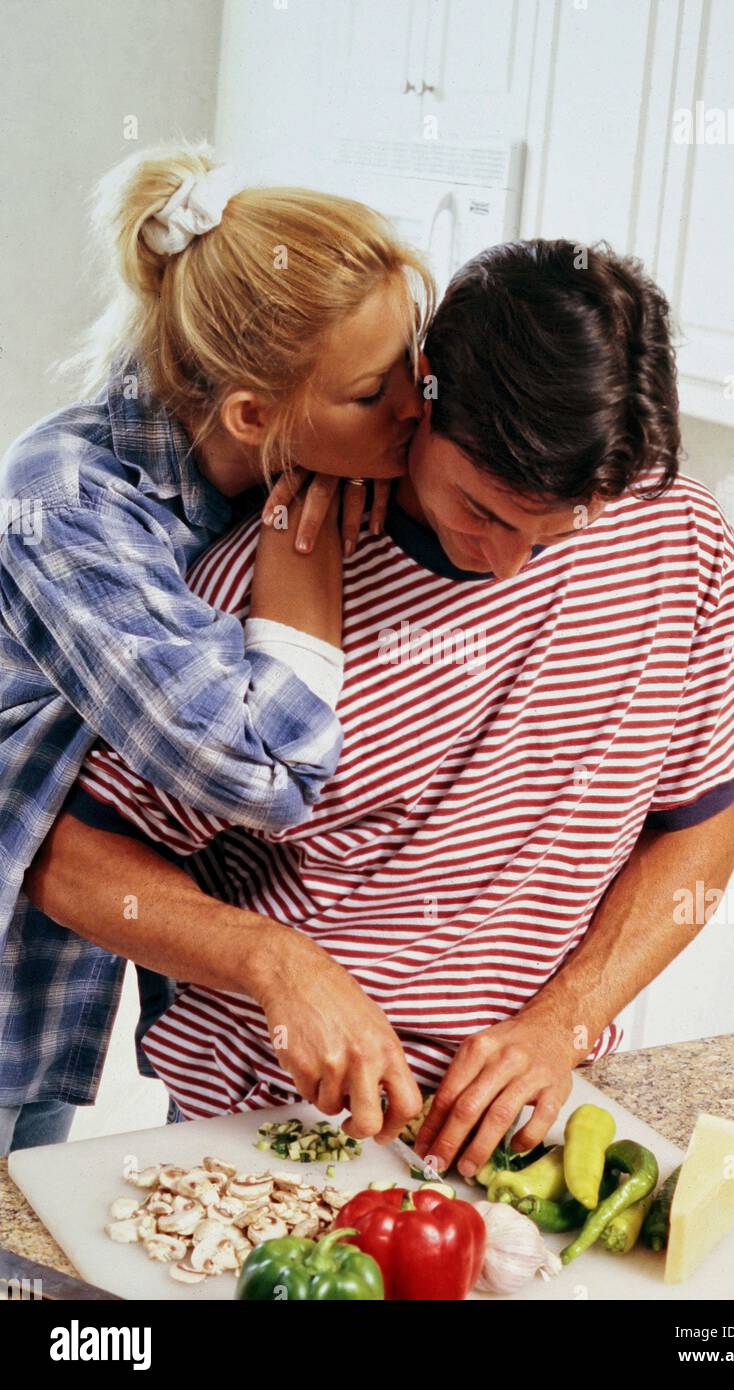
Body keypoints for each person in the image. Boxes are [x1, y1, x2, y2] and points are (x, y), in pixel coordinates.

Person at [26, 240, 734, 1174]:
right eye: (484, 509)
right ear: (420, 402)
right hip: (272, 1128)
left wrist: (562, 1024)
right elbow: (71, 863)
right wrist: (280, 967)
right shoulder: (267, 587)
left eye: (558, 531)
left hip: (529, 1123)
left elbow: (698, 829)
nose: (511, 563)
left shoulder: (677, 534)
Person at [0, 142, 434, 1153]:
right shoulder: (62, 504)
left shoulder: (272, 459)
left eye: (414, 364)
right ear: (252, 412)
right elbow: (262, 770)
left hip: (98, 968)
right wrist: (295, 579)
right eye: (376, 394)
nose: (417, 408)